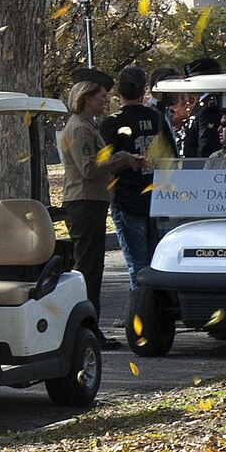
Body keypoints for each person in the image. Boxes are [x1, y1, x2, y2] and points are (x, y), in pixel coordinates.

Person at [60, 78, 142, 337]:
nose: (106, 100)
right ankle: (87, 330)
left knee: (92, 267)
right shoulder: (79, 129)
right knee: (88, 270)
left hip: (92, 202)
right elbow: (89, 168)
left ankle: (88, 328)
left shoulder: (87, 126)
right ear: (86, 98)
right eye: (101, 96)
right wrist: (123, 159)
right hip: (83, 202)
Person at [101, 66, 173, 289]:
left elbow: (103, 164)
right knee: (158, 262)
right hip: (157, 197)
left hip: (127, 197)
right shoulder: (157, 118)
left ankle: (139, 314)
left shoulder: (110, 123)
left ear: (118, 91)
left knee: (137, 264)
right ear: (143, 91)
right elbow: (170, 159)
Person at [178, 57, 225, 158]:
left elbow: (206, 144)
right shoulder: (203, 102)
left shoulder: (210, 106)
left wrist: (199, 170)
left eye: (192, 78)